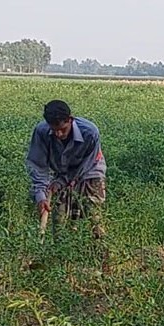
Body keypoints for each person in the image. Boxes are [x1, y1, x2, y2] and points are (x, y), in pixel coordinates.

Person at [26, 100, 107, 239]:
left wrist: (62, 181)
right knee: (59, 222)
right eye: (54, 130)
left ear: (70, 120)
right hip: (59, 173)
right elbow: (38, 165)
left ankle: (102, 254)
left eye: (62, 129)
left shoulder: (90, 132)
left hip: (89, 172)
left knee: (93, 216)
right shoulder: (41, 132)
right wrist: (41, 196)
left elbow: (85, 165)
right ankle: (60, 255)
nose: (58, 134)